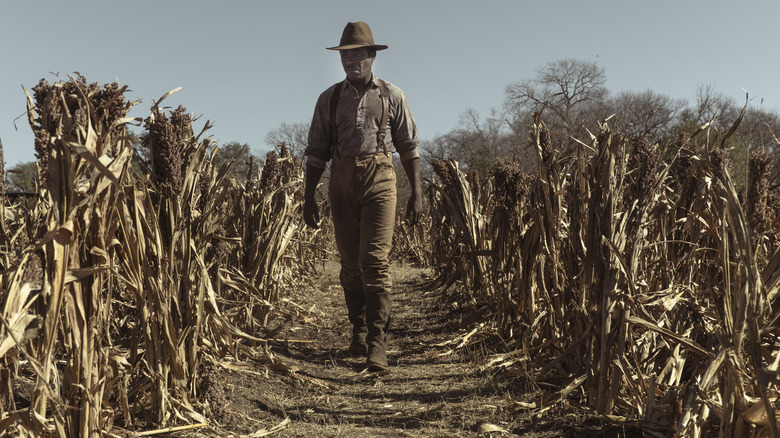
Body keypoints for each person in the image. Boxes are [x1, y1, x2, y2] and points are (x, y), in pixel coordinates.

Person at [303, 21, 422, 372]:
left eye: (358, 54)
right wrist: (309, 196)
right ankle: (357, 329)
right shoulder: (330, 98)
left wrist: (417, 192)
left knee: (375, 261)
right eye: (345, 55)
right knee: (350, 264)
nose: (351, 61)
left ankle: (377, 342)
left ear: (372, 56)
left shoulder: (392, 95)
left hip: (381, 178)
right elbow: (315, 152)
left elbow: (409, 146)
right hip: (339, 180)